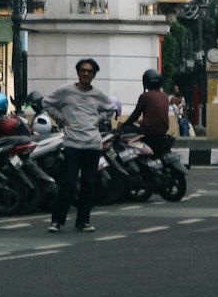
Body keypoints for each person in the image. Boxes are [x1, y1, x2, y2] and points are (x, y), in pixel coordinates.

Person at [43, 57, 117, 233]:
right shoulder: (66, 92)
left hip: (92, 144)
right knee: (68, 183)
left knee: (89, 184)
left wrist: (98, 120)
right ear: (77, 73)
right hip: (72, 144)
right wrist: (61, 119)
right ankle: (57, 221)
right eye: (83, 70)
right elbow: (46, 103)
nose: (86, 74)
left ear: (94, 75)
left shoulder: (98, 95)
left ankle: (83, 221)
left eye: (89, 71)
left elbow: (111, 108)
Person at [123, 68, 171, 155]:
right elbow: (155, 116)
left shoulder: (145, 96)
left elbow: (135, 116)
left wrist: (123, 125)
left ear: (145, 82)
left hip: (149, 133)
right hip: (163, 132)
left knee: (126, 135)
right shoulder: (165, 96)